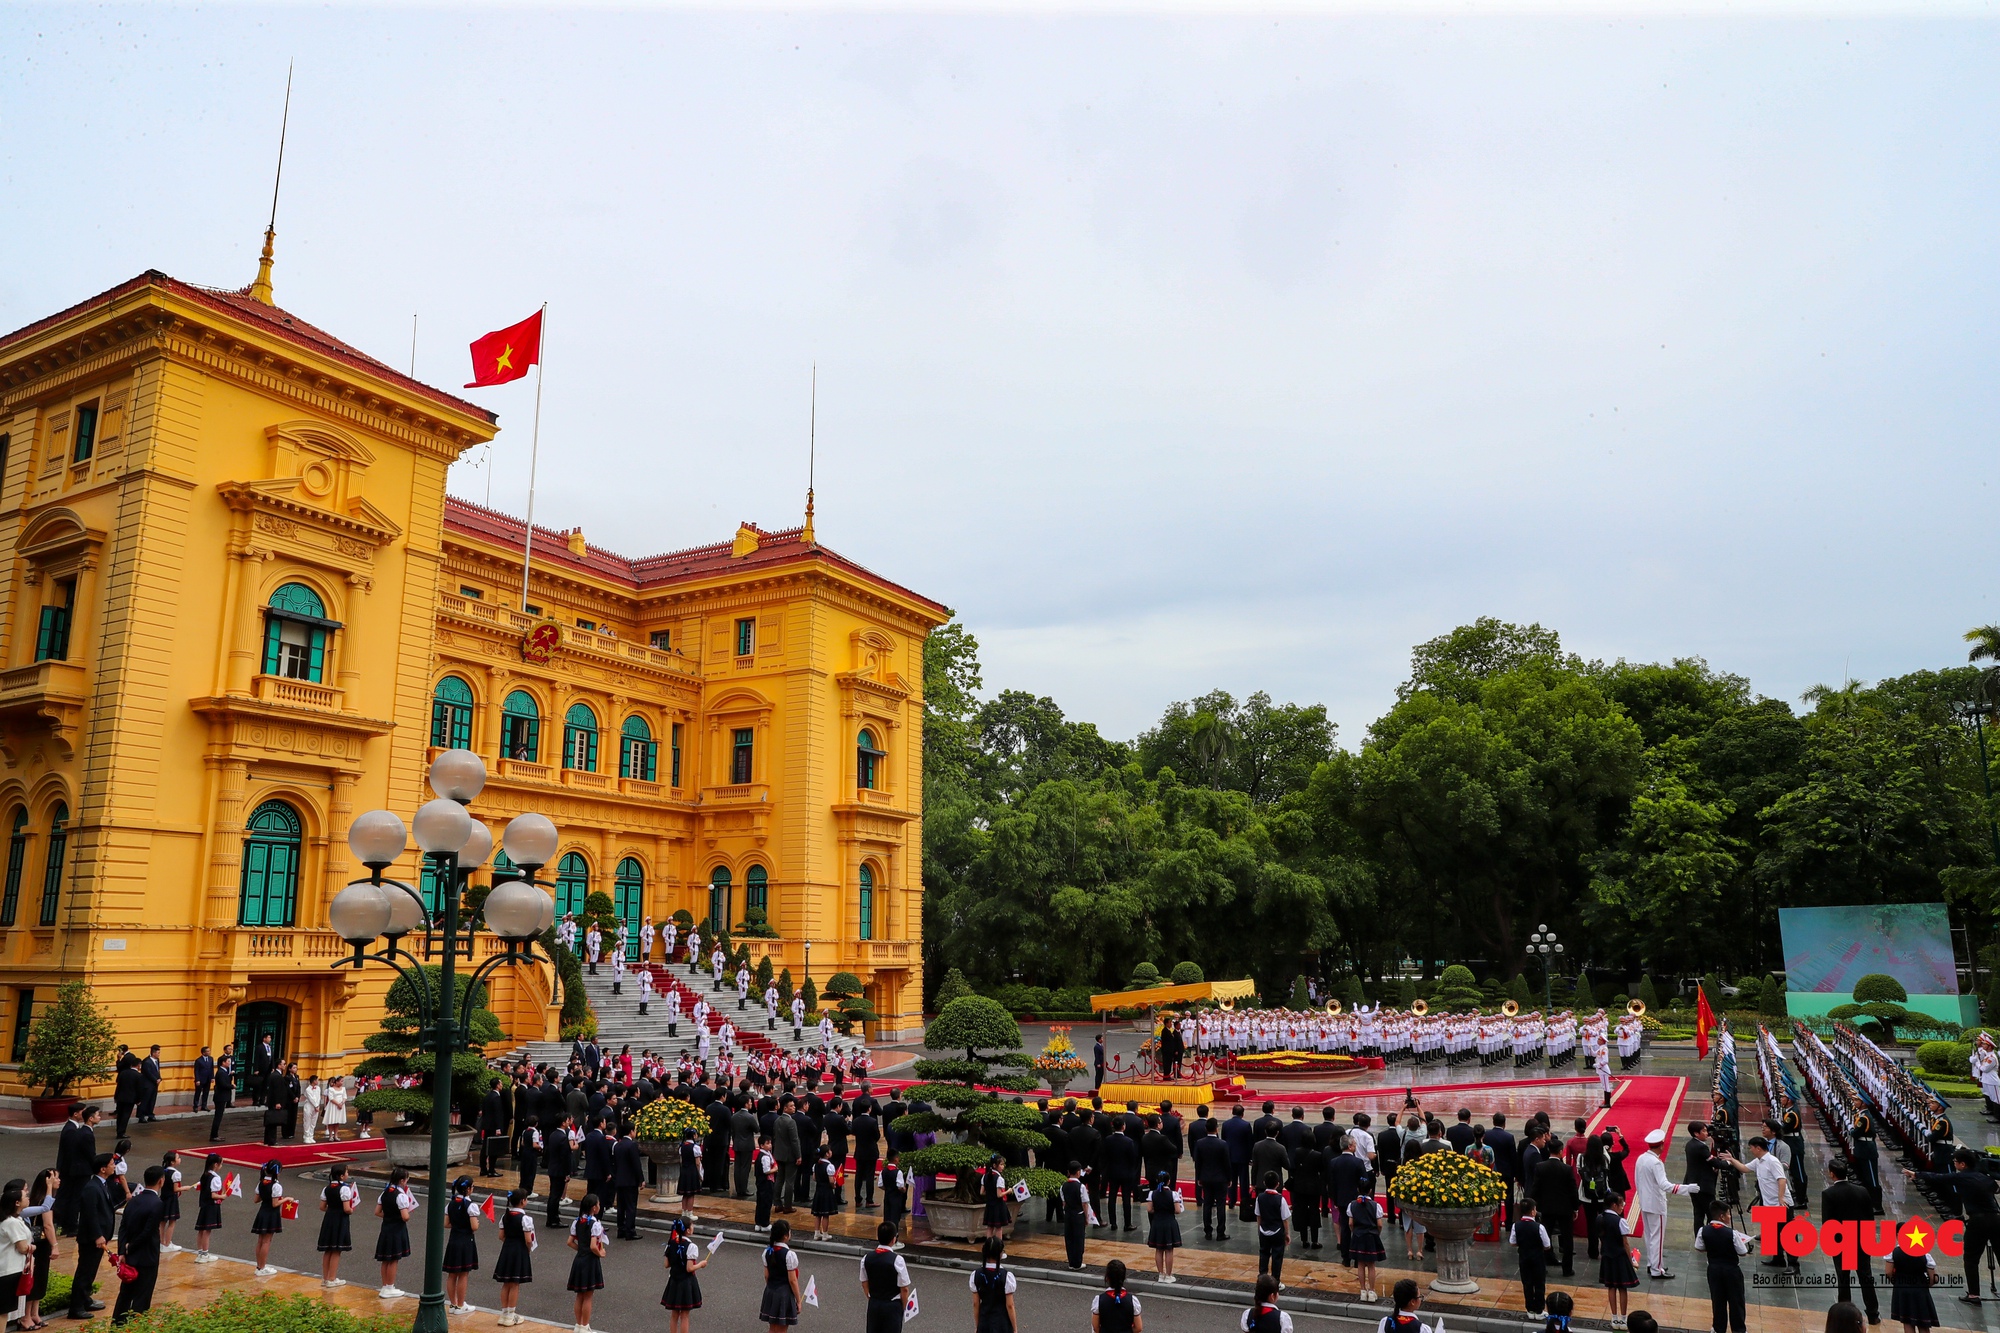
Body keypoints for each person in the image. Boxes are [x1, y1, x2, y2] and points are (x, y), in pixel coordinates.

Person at [1905, 1148, 2000, 1302]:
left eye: (1955, 1161)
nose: (1954, 1164)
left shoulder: (1962, 1177)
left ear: (1963, 1164)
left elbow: (1938, 1178)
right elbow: (1996, 1189)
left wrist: (1916, 1174)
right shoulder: (1985, 1178)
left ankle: (1974, 1294)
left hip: (1977, 1221)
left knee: (1971, 1258)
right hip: (1996, 1219)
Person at [1633, 1127, 1697, 1279]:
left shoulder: (1641, 1158)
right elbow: (1665, 1185)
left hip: (1644, 1202)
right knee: (1658, 1237)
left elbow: (1637, 1180)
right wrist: (1686, 1188)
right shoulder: (1656, 1163)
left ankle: (1652, 1263)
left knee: (1650, 1236)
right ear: (1661, 1145)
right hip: (1656, 1204)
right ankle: (1657, 1268)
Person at [1823, 1160, 1880, 1322]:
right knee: (1866, 1279)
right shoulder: (1862, 1190)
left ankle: (1844, 1315)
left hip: (1842, 1243)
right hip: (1861, 1241)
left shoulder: (1829, 1194)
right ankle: (1873, 1314)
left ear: (1832, 1173)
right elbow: (1870, 1218)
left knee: (1844, 1280)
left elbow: (1828, 1224)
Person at [110, 1168, 161, 1327]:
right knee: (142, 1296)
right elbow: (148, 1232)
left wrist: (123, 1251)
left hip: (130, 1257)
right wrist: (130, 1247)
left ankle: (116, 1326)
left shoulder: (133, 1200)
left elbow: (123, 1227)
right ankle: (137, 1328)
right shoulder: (157, 1204)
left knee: (125, 1294)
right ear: (161, 1181)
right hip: (147, 1257)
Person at [1695, 1199, 1750, 1333]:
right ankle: (1738, 1329)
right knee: (1736, 1301)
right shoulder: (1732, 1233)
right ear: (1722, 1217)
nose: (1729, 1217)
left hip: (1713, 1270)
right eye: (1728, 1214)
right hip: (1731, 1271)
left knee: (1718, 1300)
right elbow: (1743, 1252)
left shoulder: (1703, 1230)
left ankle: (1718, 1328)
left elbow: (1699, 1247)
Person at [1594, 1192, 1638, 1329]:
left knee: (1611, 1287)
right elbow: (1625, 1243)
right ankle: (1623, 1319)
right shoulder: (1620, 1221)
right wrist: (1631, 1261)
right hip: (1619, 1257)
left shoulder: (1599, 1218)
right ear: (1614, 1205)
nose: (1622, 1207)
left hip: (1607, 1256)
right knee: (1622, 1287)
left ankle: (1614, 1318)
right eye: (1621, 1204)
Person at [494, 1189, 537, 1327]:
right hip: (519, 1250)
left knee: (506, 1283)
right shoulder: (525, 1219)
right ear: (522, 1201)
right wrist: (528, 1249)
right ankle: (511, 1315)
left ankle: (504, 1314)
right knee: (515, 1284)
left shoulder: (505, 1216)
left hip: (506, 1249)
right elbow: (528, 1240)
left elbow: (501, 1236)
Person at [567, 1195, 607, 1333]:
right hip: (590, 1261)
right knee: (588, 1296)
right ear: (594, 1208)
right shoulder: (595, 1224)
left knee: (579, 1295)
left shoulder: (577, 1222)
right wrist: (600, 1253)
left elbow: (570, 1242)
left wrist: (581, 1250)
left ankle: (578, 1325)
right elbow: (593, 1246)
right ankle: (585, 1326)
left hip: (579, 1260)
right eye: (599, 1204)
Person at [375, 1167, 416, 1300]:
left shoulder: (385, 1192)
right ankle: (390, 1287)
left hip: (386, 1227)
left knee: (386, 1258)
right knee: (393, 1258)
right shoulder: (401, 1196)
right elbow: (405, 1217)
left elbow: (377, 1212)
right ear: (402, 1181)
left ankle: (384, 1286)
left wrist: (389, 1217)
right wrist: (406, 1213)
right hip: (397, 1229)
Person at [442, 1176, 481, 1315]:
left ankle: (452, 1304)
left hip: (453, 1240)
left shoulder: (451, 1203)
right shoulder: (471, 1205)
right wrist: (474, 1223)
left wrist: (458, 1225)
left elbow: (446, 1224)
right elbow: (474, 1227)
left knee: (452, 1274)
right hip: (465, 1241)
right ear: (468, 1188)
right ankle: (460, 1305)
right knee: (463, 1274)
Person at [1889, 1231, 1940, 1333]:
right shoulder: (1925, 1255)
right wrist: (1927, 1285)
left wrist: (1897, 1282)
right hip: (1920, 1291)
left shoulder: (1894, 1252)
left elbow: (1888, 1272)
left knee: (1907, 1322)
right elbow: (1933, 1278)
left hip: (1902, 1290)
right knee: (1923, 1324)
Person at [662, 1217, 707, 1333]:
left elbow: (666, 1264)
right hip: (686, 1282)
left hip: (674, 1281)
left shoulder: (670, 1243)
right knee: (685, 1315)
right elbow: (689, 1268)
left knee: (674, 1314)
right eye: (692, 1225)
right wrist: (701, 1264)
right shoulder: (691, 1247)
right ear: (687, 1230)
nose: (693, 1227)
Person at [318, 1162, 357, 1289]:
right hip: (340, 1219)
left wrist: (332, 1208)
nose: (347, 1174)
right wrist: (351, 1210)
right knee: (336, 1249)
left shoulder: (327, 1188)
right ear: (341, 1176)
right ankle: (332, 1278)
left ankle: (325, 1278)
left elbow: (322, 1207)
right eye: (346, 1172)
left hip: (328, 1218)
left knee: (328, 1249)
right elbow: (346, 1208)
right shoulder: (344, 1189)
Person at [760, 1219, 803, 1332]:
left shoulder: (767, 1252)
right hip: (784, 1294)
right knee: (782, 1330)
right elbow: (792, 1280)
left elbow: (766, 1276)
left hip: (770, 1291)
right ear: (785, 1236)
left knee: (773, 1328)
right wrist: (798, 1300)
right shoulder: (789, 1255)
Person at [1513, 1197, 1551, 1316]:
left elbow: (1512, 1242)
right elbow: (1547, 1245)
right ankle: (1539, 1310)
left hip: (1523, 1258)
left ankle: (1530, 1309)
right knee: (1539, 1283)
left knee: (1527, 1283)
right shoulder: (1539, 1227)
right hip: (1537, 1259)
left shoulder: (1516, 1225)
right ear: (1533, 1211)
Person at [1254, 1170, 1291, 1289]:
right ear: (1278, 1184)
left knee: (1263, 1254)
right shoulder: (1280, 1199)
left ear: (1264, 1183)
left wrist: (1259, 1230)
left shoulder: (1260, 1198)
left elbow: (1258, 1216)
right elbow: (1285, 1219)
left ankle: (1262, 1279)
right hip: (1277, 1231)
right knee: (1277, 1257)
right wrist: (1287, 1234)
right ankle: (1275, 1281)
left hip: (1264, 1230)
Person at [1146, 1171, 1183, 1283]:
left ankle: (1160, 1275)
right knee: (1169, 1250)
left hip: (1157, 1222)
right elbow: (1177, 1210)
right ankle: (1168, 1275)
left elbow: (1149, 1209)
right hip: (1169, 1222)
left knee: (1158, 1249)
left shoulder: (1152, 1194)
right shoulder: (1173, 1194)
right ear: (1168, 1181)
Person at [250, 1160, 284, 1278]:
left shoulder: (261, 1183)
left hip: (262, 1212)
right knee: (266, 1241)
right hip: (271, 1214)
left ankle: (259, 1266)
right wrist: (286, 1199)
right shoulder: (276, 1186)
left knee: (260, 1240)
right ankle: (262, 1267)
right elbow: (275, 1204)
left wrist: (266, 1196)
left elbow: (256, 1200)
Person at [1090, 1259, 1141, 1333]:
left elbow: (1095, 1327)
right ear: (1123, 1278)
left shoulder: (1099, 1300)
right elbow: (1138, 1328)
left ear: (1107, 1278)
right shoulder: (1132, 1300)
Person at [192, 1154, 224, 1263]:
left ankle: (200, 1253)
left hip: (204, 1205)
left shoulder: (204, 1175)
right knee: (207, 1230)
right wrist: (223, 1196)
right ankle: (205, 1253)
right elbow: (214, 1195)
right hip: (211, 1206)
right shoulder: (215, 1178)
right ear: (216, 1164)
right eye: (221, 1164)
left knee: (201, 1229)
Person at [156, 1152, 182, 1256]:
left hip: (163, 1198)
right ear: (172, 1162)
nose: (179, 1159)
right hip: (172, 1199)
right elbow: (176, 1189)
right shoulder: (176, 1173)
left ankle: (161, 1243)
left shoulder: (163, 1171)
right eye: (178, 1158)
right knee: (172, 1222)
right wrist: (187, 1188)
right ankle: (167, 1244)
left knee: (162, 1222)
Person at [881, 1154, 908, 1249]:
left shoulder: (883, 1171)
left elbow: (880, 1185)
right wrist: (904, 1189)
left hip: (887, 1197)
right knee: (895, 1218)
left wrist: (888, 1189)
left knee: (887, 1217)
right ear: (895, 1159)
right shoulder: (898, 1172)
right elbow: (900, 1186)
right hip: (896, 1198)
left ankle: (885, 1239)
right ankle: (894, 1241)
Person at [208, 1053, 235, 1143]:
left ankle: (215, 1134)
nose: (229, 1063)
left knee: (219, 1116)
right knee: (218, 1117)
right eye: (228, 1061)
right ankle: (214, 1135)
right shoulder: (221, 1072)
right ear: (223, 1063)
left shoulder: (223, 1072)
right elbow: (223, 1085)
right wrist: (232, 1086)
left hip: (221, 1097)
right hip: (220, 1097)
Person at [192, 1048, 214, 1115]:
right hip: (200, 1079)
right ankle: (195, 1106)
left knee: (206, 1092)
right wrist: (197, 1079)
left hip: (207, 1079)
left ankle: (204, 1105)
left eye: (209, 1051)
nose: (209, 1052)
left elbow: (211, 1068)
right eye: (207, 1051)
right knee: (198, 1093)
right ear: (203, 1053)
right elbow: (196, 1071)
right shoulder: (198, 1060)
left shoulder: (211, 1059)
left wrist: (212, 1077)